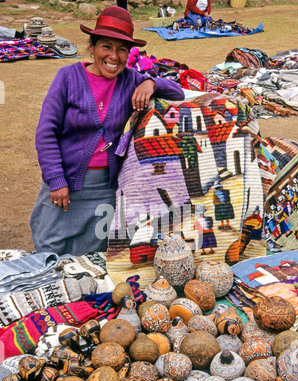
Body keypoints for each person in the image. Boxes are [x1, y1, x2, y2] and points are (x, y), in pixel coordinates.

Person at [30, 6, 185, 257]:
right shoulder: (67, 77)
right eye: (106, 46)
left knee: (95, 251)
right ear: (92, 47)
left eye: (122, 49)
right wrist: (56, 180)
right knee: (51, 245)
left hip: (105, 187)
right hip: (66, 183)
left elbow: (177, 91)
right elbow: (46, 133)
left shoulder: (130, 79)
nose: (114, 56)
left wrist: (151, 82)